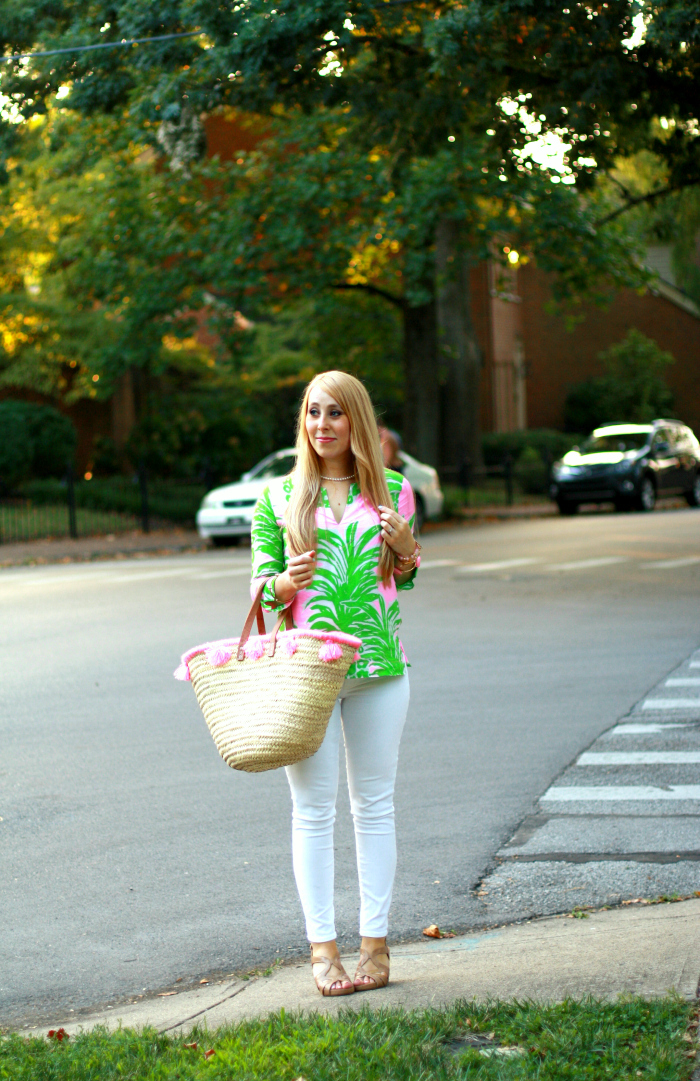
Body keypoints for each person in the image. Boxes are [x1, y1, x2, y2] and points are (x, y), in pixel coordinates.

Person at [250, 371, 421, 997]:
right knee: (313, 812)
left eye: (335, 414)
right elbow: (260, 585)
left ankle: (375, 947)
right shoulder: (278, 497)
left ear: (358, 422)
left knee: (374, 808)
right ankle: (324, 951)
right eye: (313, 413)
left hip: (379, 666)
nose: (322, 425)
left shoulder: (394, 491)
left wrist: (406, 549)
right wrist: (284, 585)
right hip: (309, 673)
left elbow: (401, 581)